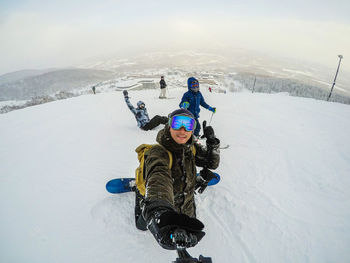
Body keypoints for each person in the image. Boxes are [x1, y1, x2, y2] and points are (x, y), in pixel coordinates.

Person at [135, 108, 220, 250]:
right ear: (169, 125)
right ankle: (139, 193)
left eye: (188, 125)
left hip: (186, 205)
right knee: (141, 225)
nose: (182, 130)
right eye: (177, 123)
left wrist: (212, 143)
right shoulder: (159, 152)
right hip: (163, 201)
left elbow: (211, 163)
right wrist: (159, 213)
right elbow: (159, 178)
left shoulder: (190, 148)